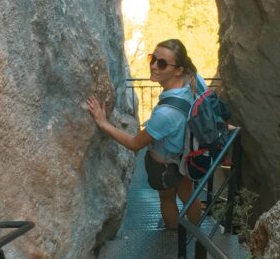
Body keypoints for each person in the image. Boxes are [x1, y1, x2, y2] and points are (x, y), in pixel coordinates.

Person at [87, 39, 203, 230]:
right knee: (188, 194)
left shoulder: (165, 114)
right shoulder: (192, 80)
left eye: (162, 63)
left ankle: (172, 234)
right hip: (186, 154)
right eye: (153, 58)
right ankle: (198, 231)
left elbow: (134, 143)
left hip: (164, 163)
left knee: (167, 198)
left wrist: (103, 123)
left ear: (178, 70)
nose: (154, 66)